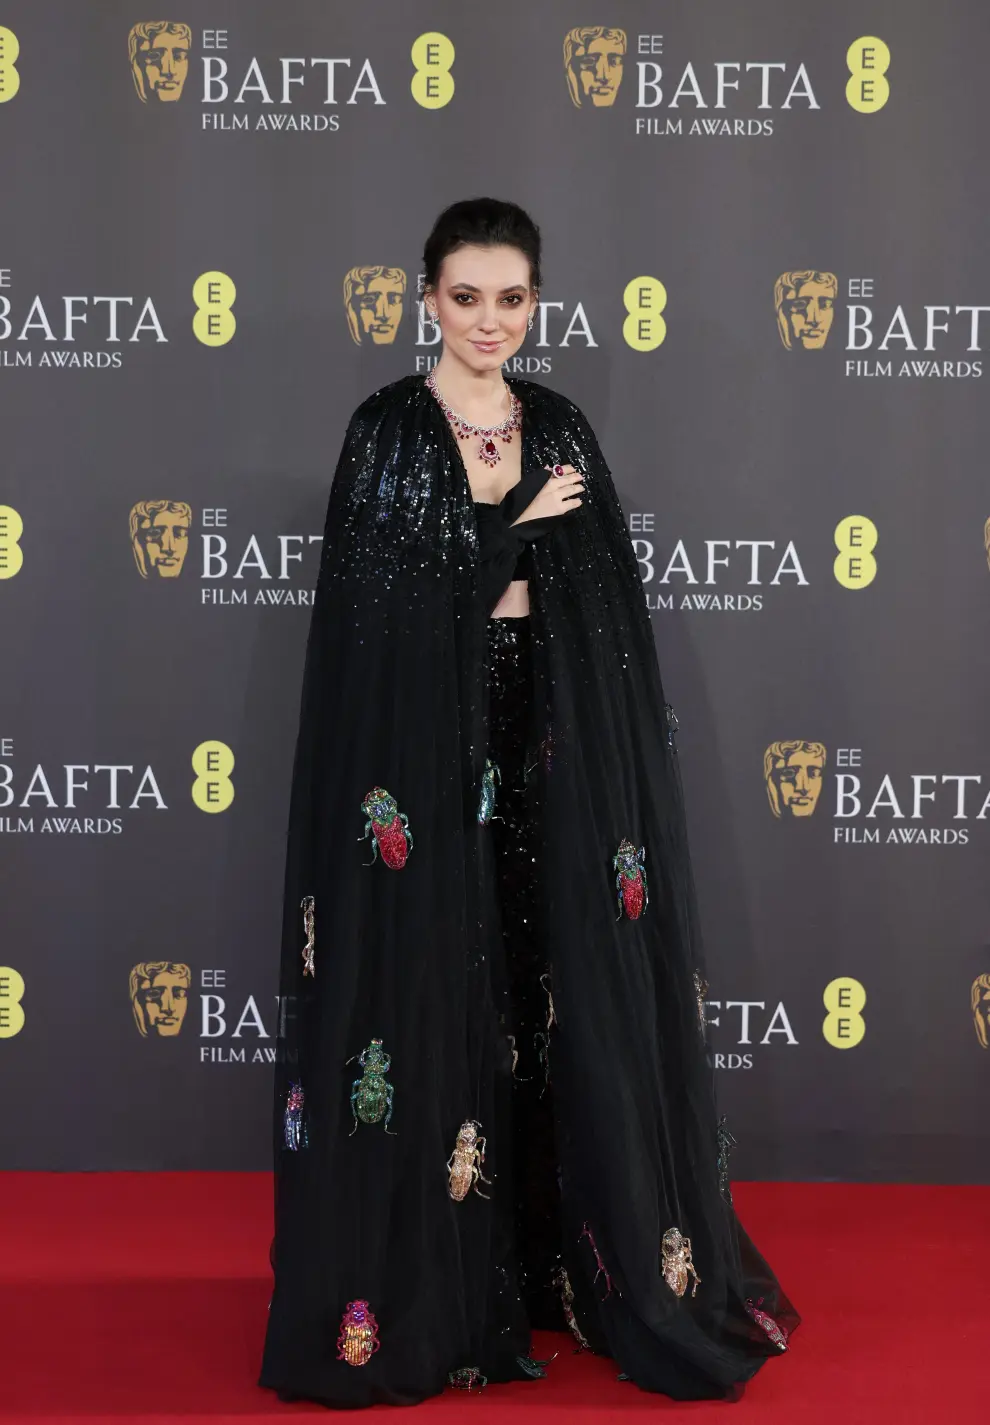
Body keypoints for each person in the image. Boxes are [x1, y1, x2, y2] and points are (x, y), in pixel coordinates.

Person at [260, 197, 798, 1408]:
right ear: (426, 298)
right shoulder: (388, 433)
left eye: (513, 300)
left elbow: (602, 609)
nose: (490, 322)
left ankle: (573, 1263)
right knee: (442, 987)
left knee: (551, 981)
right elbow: (374, 630)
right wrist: (504, 530)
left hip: (545, 735)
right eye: (466, 298)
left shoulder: (558, 426)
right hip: (425, 748)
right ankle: (435, 1279)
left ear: (536, 302)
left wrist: (526, 537)